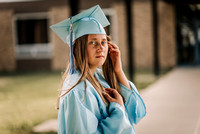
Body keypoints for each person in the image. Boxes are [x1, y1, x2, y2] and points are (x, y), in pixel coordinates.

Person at [50, 5, 146, 134]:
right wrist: (118, 109)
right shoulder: (78, 91)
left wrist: (118, 71)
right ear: (77, 48)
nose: (101, 48)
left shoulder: (99, 76)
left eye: (104, 42)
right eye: (92, 42)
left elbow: (136, 111)